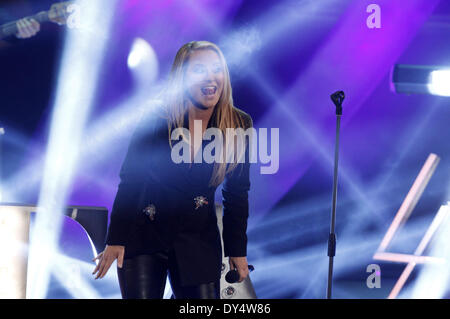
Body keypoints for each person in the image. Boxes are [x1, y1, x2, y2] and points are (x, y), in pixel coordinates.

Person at [92, 41, 253, 299]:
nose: (211, 77)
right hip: (144, 235)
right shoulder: (156, 118)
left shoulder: (239, 124)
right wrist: (116, 239)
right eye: (199, 70)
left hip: (198, 241)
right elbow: (131, 180)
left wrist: (237, 250)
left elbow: (237, 194)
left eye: (216, 69)